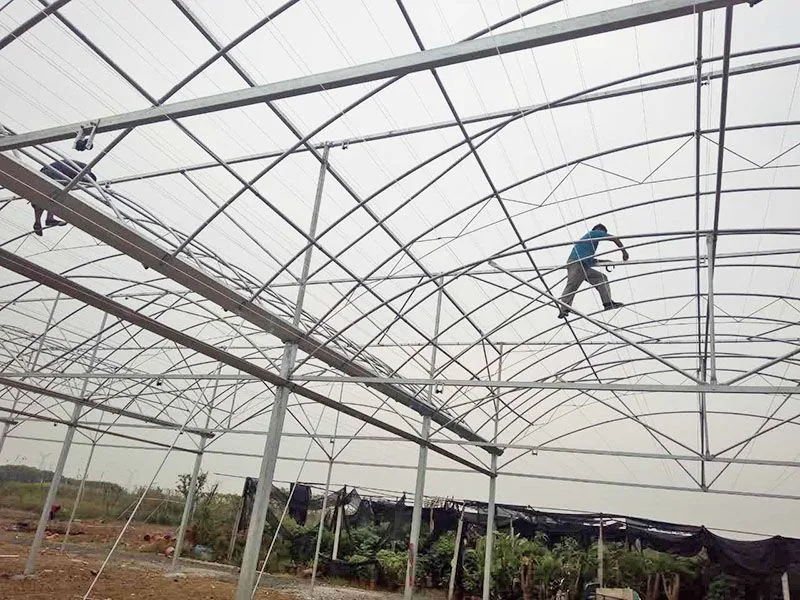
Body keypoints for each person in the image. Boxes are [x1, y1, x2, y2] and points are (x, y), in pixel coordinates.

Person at [557, 223, 629, 319]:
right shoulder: (594, 233)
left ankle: (607, 303)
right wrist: (624, 252)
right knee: (572, 285)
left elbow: (592, 260)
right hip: (577, 263)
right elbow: (614, 238)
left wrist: (605, 261)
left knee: (601, 278)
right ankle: (564, 308)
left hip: (584, 266)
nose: (602, 234)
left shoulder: (589, 245)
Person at [31, 159, 97, 236]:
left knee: (43, 197)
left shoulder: (80, 166)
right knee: (59, 194)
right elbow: (69, 181)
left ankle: (38, 222)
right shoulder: (84, 170)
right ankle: (49, 218)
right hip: (54, 173)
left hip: (45, 171)